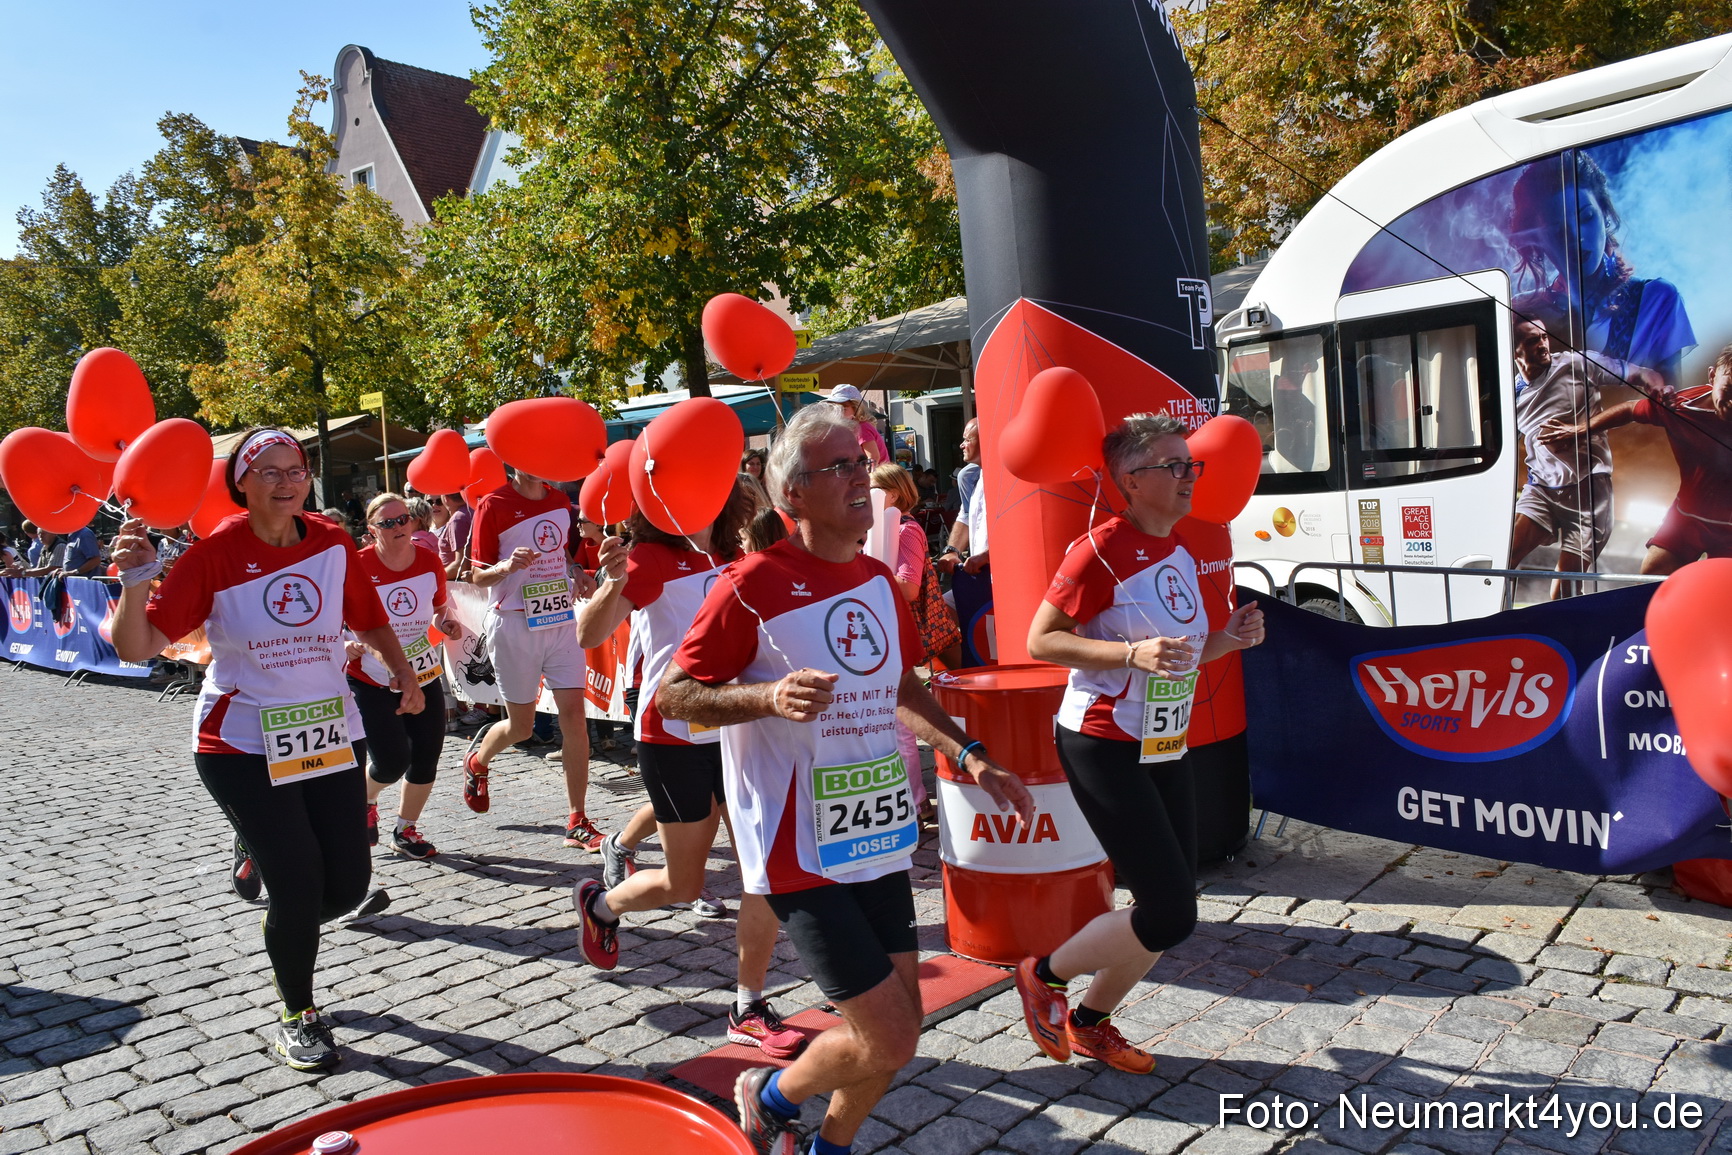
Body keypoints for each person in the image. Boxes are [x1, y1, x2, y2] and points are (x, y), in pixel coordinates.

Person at [653, 403, 1033, 1155]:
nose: (861, 475)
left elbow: (906, 689)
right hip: (799, 849)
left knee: (901, 1029)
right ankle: (765, 1095)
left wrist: (972, 757)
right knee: (887, 1034)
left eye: (862, 460)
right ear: (792, 494)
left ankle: (827, 1145)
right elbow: (672, 695)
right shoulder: (752, 584)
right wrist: (763, 696)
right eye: (839, 465)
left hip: (880, 833)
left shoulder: (879, 583)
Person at [108, 427, 424, 1071]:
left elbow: (367, 617)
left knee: (347, 883)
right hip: (239, 743)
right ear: (242, 484)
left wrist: (405, 672)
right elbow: (136, 648)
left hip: (326, 733)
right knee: (298, 883)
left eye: (296, 470)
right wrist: (136, 582)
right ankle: (298, 1013)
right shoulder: (213, 554)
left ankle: (261, 864)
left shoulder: (334, 542)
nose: (286, 481)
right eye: (269, 471)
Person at [1021, 411, 1266, 1074]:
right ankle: (1042, 974)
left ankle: (1091, 1021)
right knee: (1170, 911)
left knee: (1167, 900)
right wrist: (1129, 652)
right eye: (1175, 465)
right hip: (1102, 741)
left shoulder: (1180, 549)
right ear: (1131, 479)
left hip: (1164, 741)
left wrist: (1232, 637)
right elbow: (1040, 639)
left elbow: (1183, 654)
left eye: (1193, 465)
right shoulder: (1097, 547)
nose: (1190, 476)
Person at [573, 482, 804, 1057]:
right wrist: (613, 580)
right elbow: (588, 635)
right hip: (671, 734)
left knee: (763, 870)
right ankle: (600, 905)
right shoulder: (647, 558)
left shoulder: (735, 557)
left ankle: (747, 1005)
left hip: (740, 729)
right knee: (685, 884)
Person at [463, 465, 602, 848]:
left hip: (558, 619)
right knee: (521, 727)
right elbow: (476, 575)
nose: (540, 464)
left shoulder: (560, 501)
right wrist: (506, 567)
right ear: (512, 462)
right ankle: (477, 762)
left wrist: (577, 572)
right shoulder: (493, 504)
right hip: (513, 622)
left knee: (575, 717)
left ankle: (578, 819)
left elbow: (562, 554)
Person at [1508, 316, 1665, 596]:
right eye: (1533, 341)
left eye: (1544, 337)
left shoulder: (1577, 364)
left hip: (1588, 492)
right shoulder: (1510, 393)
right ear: (1515, 349)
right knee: (1504, 560)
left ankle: (1566, 635)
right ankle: (1495, 628)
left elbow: (1641, 373)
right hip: (1541, 489)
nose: (1543, 345)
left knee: (1563, 591)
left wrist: (1656, 388)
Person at [1544, 342, 1732, 574]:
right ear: (1712, 377)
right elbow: (1630, 409)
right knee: (1649, 581)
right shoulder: (1680, 406)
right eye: (1730, 389)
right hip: (1688, 519)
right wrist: (1579, 429)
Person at [346, 493, 461, 860]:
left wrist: (447, 624)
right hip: (372, 677)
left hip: (423, 673)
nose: (398, 527)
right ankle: (364, 800)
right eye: (388, 523)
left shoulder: (428, 561)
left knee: (427, 755)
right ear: (371, 530)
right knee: (392, 760)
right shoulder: (357, 565)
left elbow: (439, 610)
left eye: (403, 519)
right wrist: (345, 643)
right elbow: (334, 618)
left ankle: (406, 829)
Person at [871, 462, 961, 673]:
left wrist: (867, 571)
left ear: (892, 495)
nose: (865, 493)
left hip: (917, 626)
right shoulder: (888, 527)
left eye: (872, 488)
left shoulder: (906, 530)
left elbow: (910, 589)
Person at [938, 419, 988, 579]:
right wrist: (951, 551)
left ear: (985, 440)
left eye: (967, 439)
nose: (961, 445)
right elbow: (965, 514)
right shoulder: (969, 477)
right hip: (979, 573)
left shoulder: (1008, 478)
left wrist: (987, 556)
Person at [822, 384, 890, 467]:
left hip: (879, 476)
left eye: (843, 409)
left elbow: (873, 458)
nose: (838, 412)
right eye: (834, 408)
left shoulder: (862, 428)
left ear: (856, 408)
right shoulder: (850, 429)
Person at [435, 493, 473, 582]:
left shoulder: (458, 519)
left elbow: (461, 565)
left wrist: (433, 578)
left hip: (458, 586)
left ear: (446, 498)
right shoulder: (469, 511)